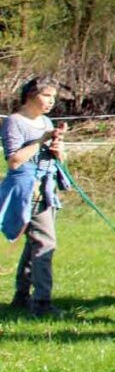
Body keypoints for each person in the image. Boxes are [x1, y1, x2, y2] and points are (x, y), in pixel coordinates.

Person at [2, 76, 68, 317]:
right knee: (45, 243)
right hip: (27, 191)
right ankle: (42, 302)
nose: (51, 101)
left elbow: (57, 158)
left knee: (35, 243)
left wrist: (58, 150)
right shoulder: (14, 122)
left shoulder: (46, 121)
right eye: (46, 96)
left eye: (53, 97)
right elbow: (14, 161)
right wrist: (41, 141)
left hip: (46, 188)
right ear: (31, 95)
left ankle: (22, 296)